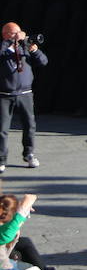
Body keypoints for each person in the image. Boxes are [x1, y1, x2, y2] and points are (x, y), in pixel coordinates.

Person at [0, 23, 44, 174]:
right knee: (2, 129)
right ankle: (1, 159)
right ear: (5, 34)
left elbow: (43, 61)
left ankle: (29, 154)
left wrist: (35, 51)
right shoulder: (3, 48)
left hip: (25, 94)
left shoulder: (24, 47)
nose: (18, 35)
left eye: (19, 32)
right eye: (14, 33)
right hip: (4, 95)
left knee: (29, 125)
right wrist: (8, 42)